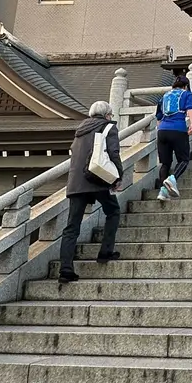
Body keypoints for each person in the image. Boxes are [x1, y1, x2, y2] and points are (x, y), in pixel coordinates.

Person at [58, 100, 122, 283]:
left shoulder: (80, 130)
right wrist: (118, 177)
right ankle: (105, 251)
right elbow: (113, 153)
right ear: (107, 115)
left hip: (76, 183)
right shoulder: (108, 127)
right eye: (111, 115)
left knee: (72, 226)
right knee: (113, 211)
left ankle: (65, 270)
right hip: (98, 179)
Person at [156, 72, 192, 201]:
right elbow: (189, 109)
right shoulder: (186, 94)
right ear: (186, 86)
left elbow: (159, 117)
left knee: (165, 163)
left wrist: (161, 128)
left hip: (162, 131)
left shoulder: (165, 96)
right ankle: (172, 179)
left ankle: (162, 192)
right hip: (178, 129)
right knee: (184, 160)